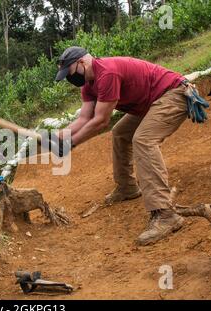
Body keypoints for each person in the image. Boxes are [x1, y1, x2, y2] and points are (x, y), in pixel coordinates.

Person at [55, 46, 200, 246]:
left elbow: (100, 121)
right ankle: (127, 187)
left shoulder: (107, 73)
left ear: (82, 63)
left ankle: (166, 214)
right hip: (151, 102)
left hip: (174, 94)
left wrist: (71, 144)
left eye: (70, 73)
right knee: (121, 133)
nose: (71, 79)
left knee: (143, 140)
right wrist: (54, 137)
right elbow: (83, 119)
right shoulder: (88, 85)